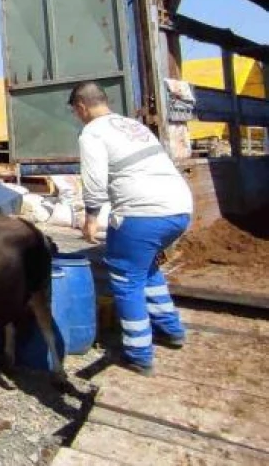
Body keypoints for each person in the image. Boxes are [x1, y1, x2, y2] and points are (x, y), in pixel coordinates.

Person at [69, 81, 192, 376]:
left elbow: (95, 179)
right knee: (145, 268)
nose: (78, 116)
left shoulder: (92, 132)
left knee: (126, 279)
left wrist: (91, 216)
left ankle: (139, 353)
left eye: (76, 112)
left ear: (82, 107)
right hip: (180, 208)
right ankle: (171, 329)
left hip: (143, 214)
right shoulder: (131, 125)